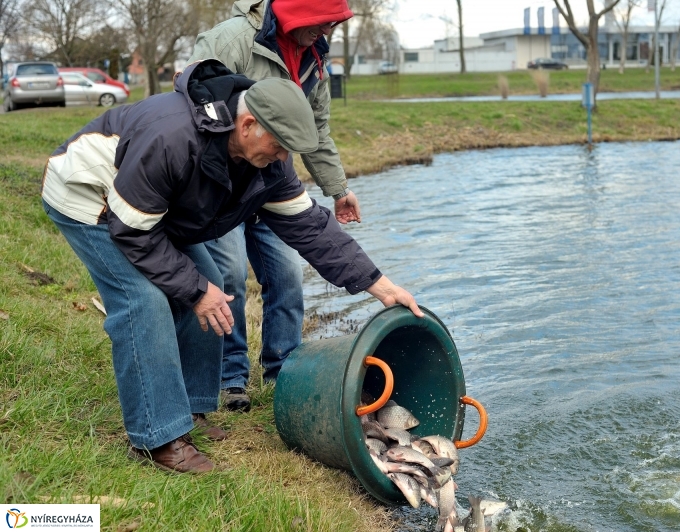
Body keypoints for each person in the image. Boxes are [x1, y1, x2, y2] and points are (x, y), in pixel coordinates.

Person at [41, 59, 423, 473]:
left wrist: (380, 286)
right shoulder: (172, 138)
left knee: (213, 284)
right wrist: (193, 290)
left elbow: (313, 230)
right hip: (90, 198)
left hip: (152, 211)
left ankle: (190, 411)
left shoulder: (268, 161)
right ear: (247, 126)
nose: (282, 157)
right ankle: (158, 437)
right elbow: (133, 231)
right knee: (145, 301)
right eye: (278, 146)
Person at [187, 0, 358, 412]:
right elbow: (192, 101)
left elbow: (315, 129)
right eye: (322, 22)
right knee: (226, 276)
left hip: (272, 180)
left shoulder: (315, 56)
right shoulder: (230, 40)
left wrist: (337, 189)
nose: (328, 31)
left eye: (332, 24)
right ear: (299, 12)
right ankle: (230, 379)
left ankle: (286, 374)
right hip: (224, 181)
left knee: (287, 276)